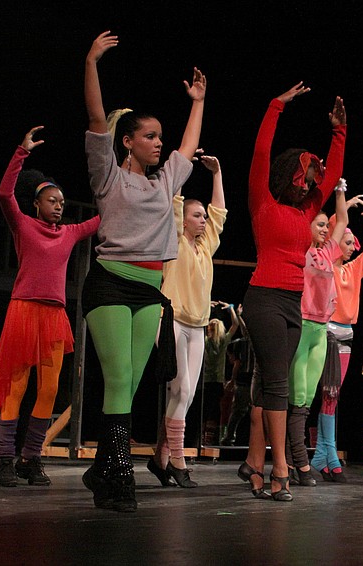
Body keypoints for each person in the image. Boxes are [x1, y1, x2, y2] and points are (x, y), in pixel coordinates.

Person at [79, 31, 205, 512]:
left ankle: (102, 469)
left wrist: (198, 102)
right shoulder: (108, 174)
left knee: (129, 386)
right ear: (127, 141)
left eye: (160, 137)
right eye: (149, 136)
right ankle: (118, 478)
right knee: (118, 381)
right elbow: (95, 117)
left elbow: (189, 150)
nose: (158, 143)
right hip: (111, 282)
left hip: (151, 291)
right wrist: (91, 61)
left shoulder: (165, 180)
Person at [237, 82, 346, 502]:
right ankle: (281, 466)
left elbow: (332, 175)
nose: (306, 186)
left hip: (292, 302)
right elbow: (261, 153)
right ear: (288, 176)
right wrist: (275, 106)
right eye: (301, 179)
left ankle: (256, 467)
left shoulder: (306, 212)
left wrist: (339, 131)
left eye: (309, 183)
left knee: (269, 385)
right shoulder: (262, 202)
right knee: (279, 384)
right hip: (263, 296)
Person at [0, 126, 100, 488]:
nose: (59, 205)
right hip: (24, 312)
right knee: (16, 388)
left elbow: (104, 218)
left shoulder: (68, 233)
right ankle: (4, 457)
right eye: (52, 200)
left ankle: (30, 458)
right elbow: (5, 193)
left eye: (62, 202)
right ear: (36, 203)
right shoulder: (23, 225)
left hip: (54, 316)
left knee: (49, 391)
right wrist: (21, 152)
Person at [147, 155, 228, 489]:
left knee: (187, 394)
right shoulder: (177, 237)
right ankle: (178, 460)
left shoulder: (205, 246)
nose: (203, 220)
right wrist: (183, 169)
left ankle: (160, 458)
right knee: (180, 389)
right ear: (183, 218)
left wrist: (218, 173)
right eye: (197, 215)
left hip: (197, 325)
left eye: (203, 216)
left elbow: (220, 215)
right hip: (172, 321)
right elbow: (175, 200)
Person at [310, 194, 363, 482]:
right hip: (327, 332)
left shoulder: (353, 269)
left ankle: (324, 453)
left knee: (333, 395)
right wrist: (345, 207)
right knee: (326, 393)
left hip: (347, 335)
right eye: (350, 242)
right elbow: (335, 227)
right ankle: (326, 453)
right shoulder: (325, 266)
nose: (355, 247)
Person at [285, 182, 350, 487]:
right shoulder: (301, 249)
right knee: (296, 394)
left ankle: (293, 460)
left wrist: (339, 192)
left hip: (321, 331)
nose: (326, 229)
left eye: (327, 226)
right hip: (301, 326)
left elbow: (343, 221)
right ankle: (298, 461)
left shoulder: (328, 252)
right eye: (320, 225)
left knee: (308, 397)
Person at [200, 306, 240, 445]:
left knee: (204, 410)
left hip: (205, 381)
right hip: (217, 381)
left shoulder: (204, 341)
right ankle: (210, 439)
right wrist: (231, 309)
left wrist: (205, 307)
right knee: (215, 410)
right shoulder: (223, 341)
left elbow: (200, 324)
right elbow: (236, 324)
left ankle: (202, 438)